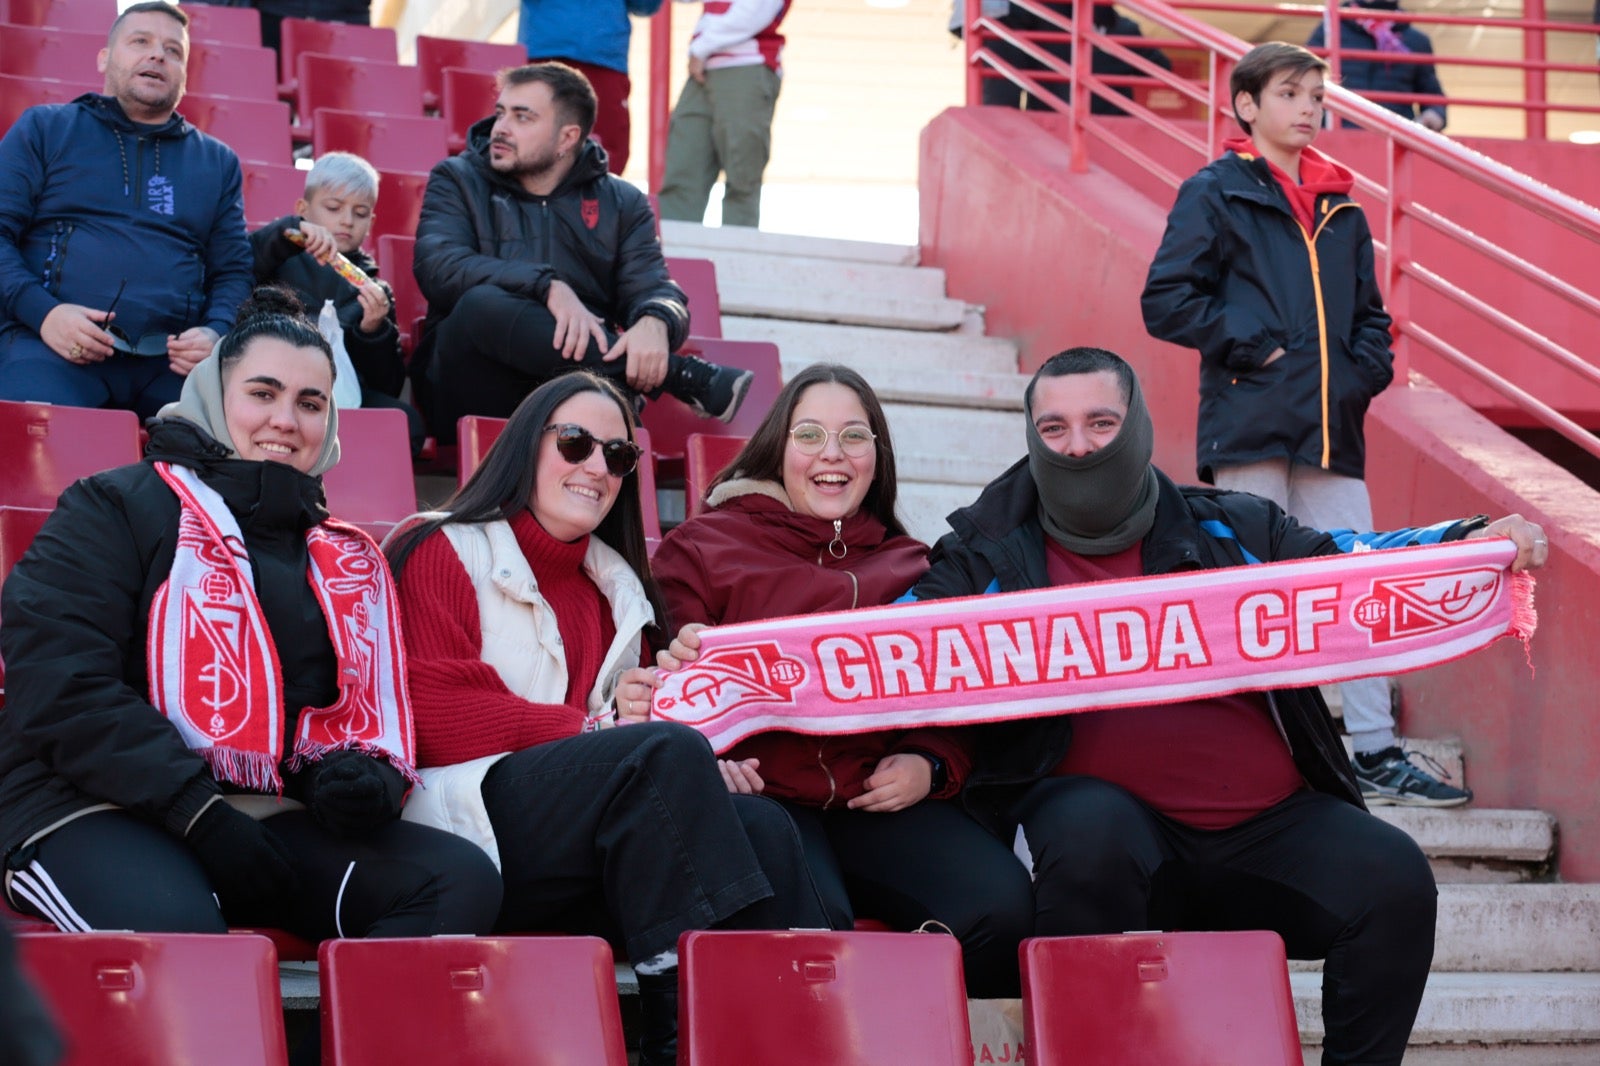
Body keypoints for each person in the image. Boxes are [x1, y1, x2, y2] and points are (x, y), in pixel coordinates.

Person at [905, 346, 1549, 1066]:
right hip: (1109, 851)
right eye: (1054, 429)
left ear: (1140, 427)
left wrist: (1467, 544)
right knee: (1088, 827)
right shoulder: (984, 554)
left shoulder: (1230, 528)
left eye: (1100, 422)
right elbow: (884, 645)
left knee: (1393, 876)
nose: (1079, 446)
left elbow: (1350, 562)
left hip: (1264, 831)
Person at [0, 288, 503, 945]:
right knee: (182, 939)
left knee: (456, 879)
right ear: (214, 394)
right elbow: (59, 686)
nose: (285, 421)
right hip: (79, 804)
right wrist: (197, 813)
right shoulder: (113, 505)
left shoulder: (338, 556)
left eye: (310, 402)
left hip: (252, 817)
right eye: (262, 394)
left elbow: (343, 715)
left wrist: (356, 780)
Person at [384, 371, 828, 1066]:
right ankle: (677, 1041)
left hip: (577, 837)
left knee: (759, 825)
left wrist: (706, 766)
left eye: (618, 456)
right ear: (526, 447)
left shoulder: (619, 588)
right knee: (658, 758)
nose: (597, 466)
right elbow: (433, 714)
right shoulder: (443, 545)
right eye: (575, 444)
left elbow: (634, 736)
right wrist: (606, 736)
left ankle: (789, 1041)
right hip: (460, 822)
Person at [1139, 41, 1466, 805]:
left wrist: (1356, 380)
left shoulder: (1342, 207)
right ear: (1247, 105)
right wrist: (1258, 350)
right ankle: (1264, 749)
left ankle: (1377, 751)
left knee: (1362, 580)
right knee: (1261, 590)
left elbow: (1372, 321)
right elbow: (1167, 299)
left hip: (1331, 432)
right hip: (1251, 423)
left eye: (1316, 95)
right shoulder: (1215, 191)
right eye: (1290, 93)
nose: (1309, 108)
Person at [645, 364, 1035, 998]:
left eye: (854, 436)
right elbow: (661, 686)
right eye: (810, 435)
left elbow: (956, 687)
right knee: (816, 939)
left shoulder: (913, 564)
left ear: (877, 458)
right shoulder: (701, 547)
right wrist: (707, 756)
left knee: (1001, 908)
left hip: (873, 798)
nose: (833, 455)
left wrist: (929, 763)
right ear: (778, 448)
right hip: (763, 798)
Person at [413, 62, 752, 443]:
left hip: (577, 391)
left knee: (599, 399)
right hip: (474, 384)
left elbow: (655, 287)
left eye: (522, 117)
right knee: (481, 304)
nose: (501, 128)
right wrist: (546, 286)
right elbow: (438, 267)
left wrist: (656, 320)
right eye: (501, 113)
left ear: (566, 137)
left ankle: (629, 391)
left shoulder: (622, 202)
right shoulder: (457, 178)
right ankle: (678, 375)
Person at [0, 1, 253, 421]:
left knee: (233, 448)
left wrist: (216, 332)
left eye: (174, 51)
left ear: (184, 78)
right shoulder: (45, 128)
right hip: (47, 347)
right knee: (37, 446)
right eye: (141, 42)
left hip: (171, 366)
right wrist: (43, 313)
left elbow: (233, 272)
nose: (158, 55)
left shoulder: (218, 162)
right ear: (104, 58)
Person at [249, 151, 425, 454]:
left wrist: (373, 331)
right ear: (303, 209)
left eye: (359, 213)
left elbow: (387, 385)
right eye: (333, 207)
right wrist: (291, 231)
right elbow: (245, 258)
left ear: (370, 223)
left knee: (406, 422)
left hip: (340, 397)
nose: (346, 220)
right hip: (276, 384)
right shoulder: (278, 259)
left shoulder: (375, 289)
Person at [656, 0, 792, 228]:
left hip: (746, 64)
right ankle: (671, 256)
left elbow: (755, 10)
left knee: (742, 176)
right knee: (684, 170)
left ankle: (736, 257)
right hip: (706, 67)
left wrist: (701, 47)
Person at [520, 0, 664, 174]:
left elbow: (645, 5)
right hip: (547, 49)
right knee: (531, 141)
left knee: (608, 150)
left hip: (603, 56)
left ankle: (596, 200)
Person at [968, 1, 1173, 117]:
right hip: (1096, 122)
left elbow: (1162, 69)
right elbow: (1162, 69)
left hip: (1061, 118)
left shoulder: (1047, 19)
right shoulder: (1125, 29)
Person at [1307, 0, 1447, 131]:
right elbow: (1302, 77)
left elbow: (1433, 96)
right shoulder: (1329, 31)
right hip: (1338, 135)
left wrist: (1434, 114)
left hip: (1395, 139)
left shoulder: (1416, 41)